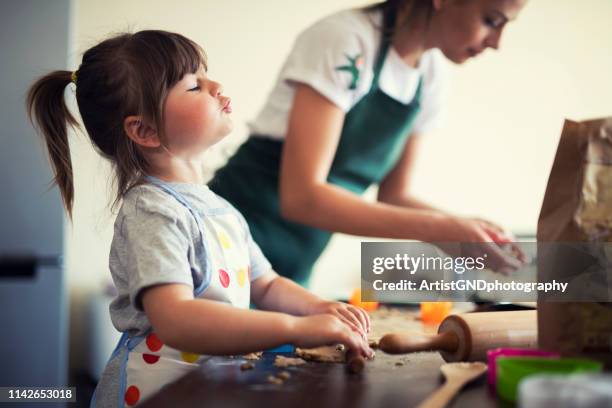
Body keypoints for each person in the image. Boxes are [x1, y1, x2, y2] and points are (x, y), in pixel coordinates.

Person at [26, 30, 373, 407]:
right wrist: (296, 328)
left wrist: (319, 307)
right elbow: (176, 318)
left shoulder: (221, 209)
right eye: (194, 85)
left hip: (208, 389)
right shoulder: (152, 210)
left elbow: (267, 285)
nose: (215, 85)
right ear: (145, 130)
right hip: (155, 394)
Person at [210, 0, 528, 285]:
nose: (498, 43)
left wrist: (464, 228)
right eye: (492, 20)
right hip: (225, 247)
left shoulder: (431, 77)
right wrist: (439, 229)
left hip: (290, 273)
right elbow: (302, 197)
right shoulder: (345, 40)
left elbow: (395, 195)